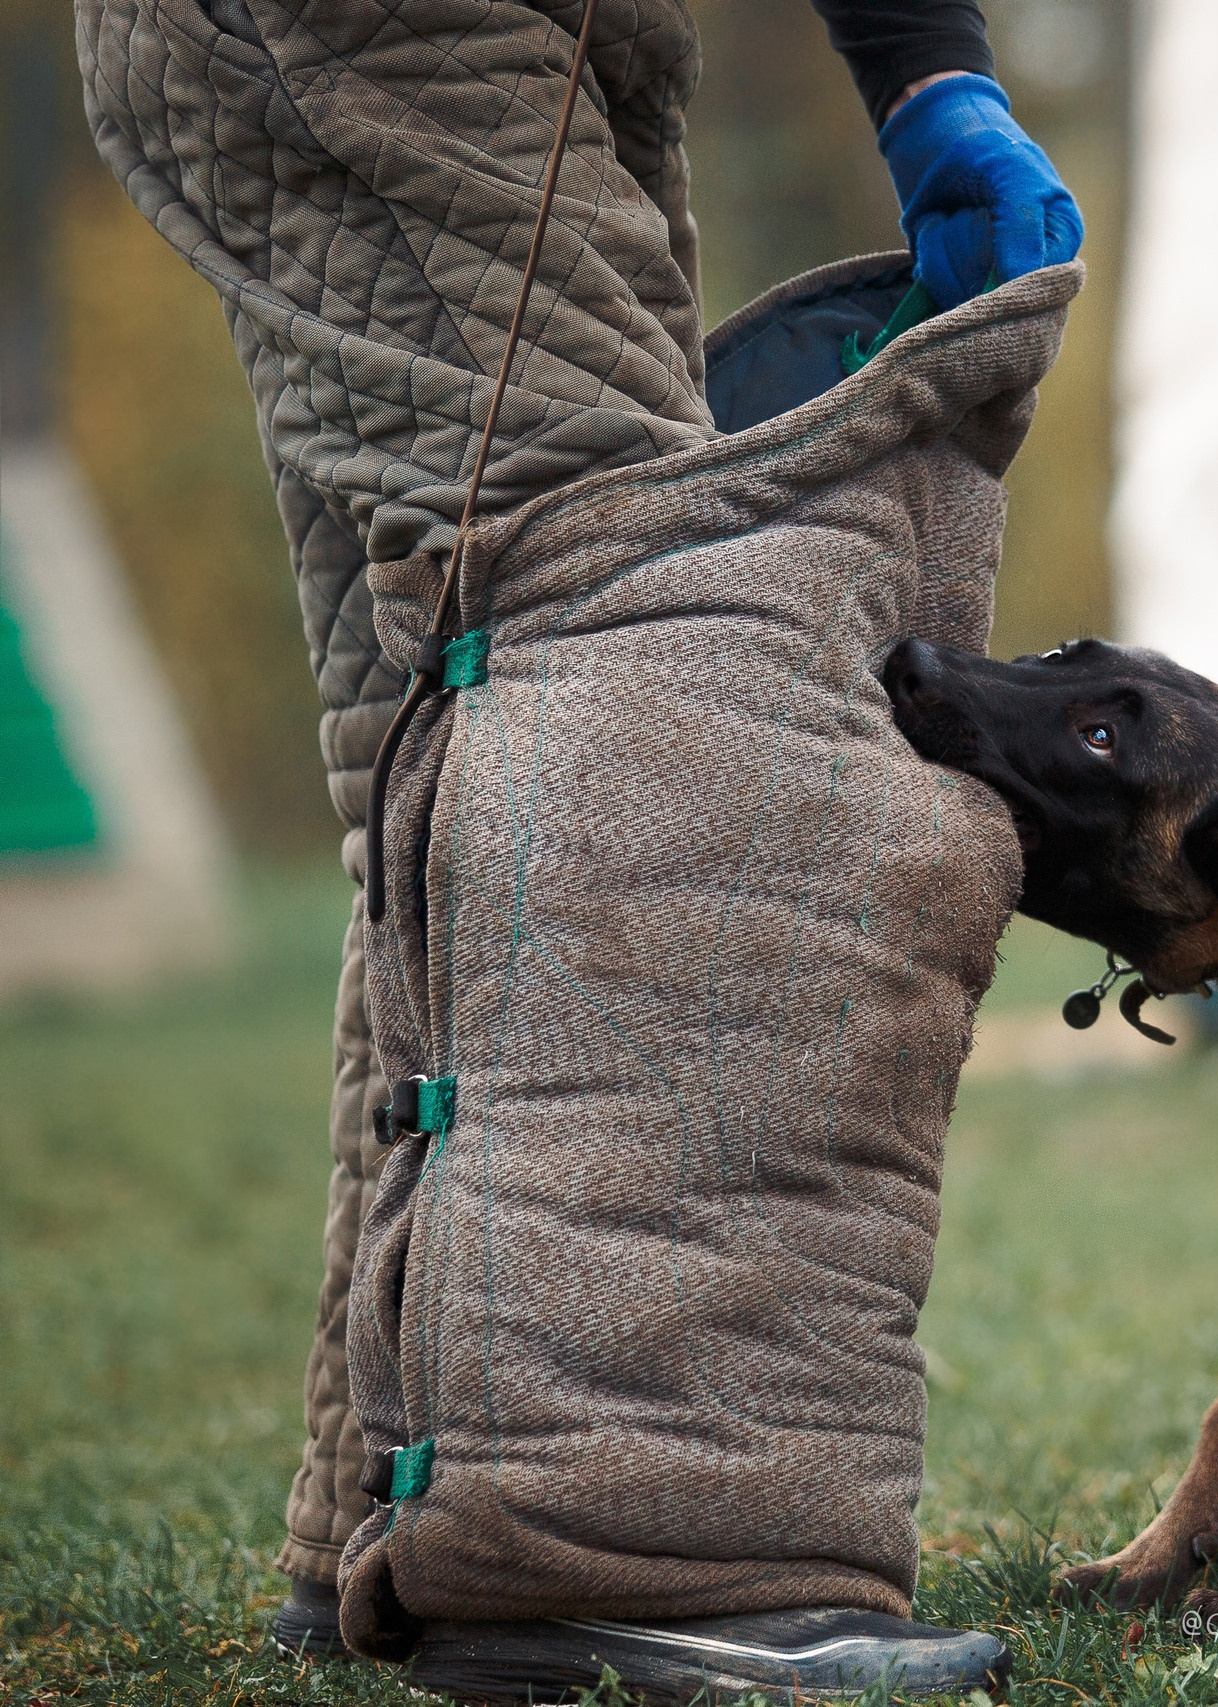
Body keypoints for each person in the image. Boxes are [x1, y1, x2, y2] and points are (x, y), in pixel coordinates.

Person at [73, 0, 1079, 1695]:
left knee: (470, 723)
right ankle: (628, 1534)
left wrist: (932, 72)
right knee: (645, 679)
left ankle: (404, 1517)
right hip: (402, 34)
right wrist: (930, 72)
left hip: (514, 47)